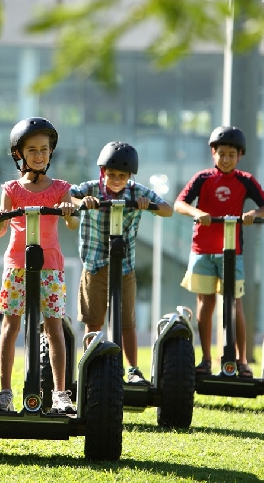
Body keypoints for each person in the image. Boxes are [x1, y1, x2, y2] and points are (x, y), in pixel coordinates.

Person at [0, 117, 80, 414]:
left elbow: (73, 224)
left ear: (51, 152)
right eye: (32, 150)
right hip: (17, 266)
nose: (39, 155)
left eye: (44, 149)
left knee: (54, 328)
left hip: (50, 266)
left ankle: (61, 394)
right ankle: (5, 392)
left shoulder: (62, 188)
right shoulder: (12, 188)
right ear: (20, 154)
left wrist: (68, 211)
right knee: (11, 325)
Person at [173, 125, 264, 378]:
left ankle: (241, 361)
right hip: (202, 250)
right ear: (213, 153)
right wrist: (198, 213)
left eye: (231, 154)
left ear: (240, 155)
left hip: (232, 250)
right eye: (222, 154)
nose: (226, 159)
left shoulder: (245, 180)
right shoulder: (203, 178)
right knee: (205, 304)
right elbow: (179, 203)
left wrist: (252, 214)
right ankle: (206, 359)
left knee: (234, 305)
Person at [70, 141, 173, 385]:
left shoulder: (137, 192)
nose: (116, 180)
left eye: (122, 176)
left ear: (130, 176)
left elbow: (168, 210)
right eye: (112, 174)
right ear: (103, 172)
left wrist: (151, 206)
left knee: (127, 321)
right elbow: (68, 196)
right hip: (94, 263)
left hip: (124, 265)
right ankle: (91, 364)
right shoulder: (92, 188)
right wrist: (82, 203)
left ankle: (133, 370)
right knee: (93, 319)